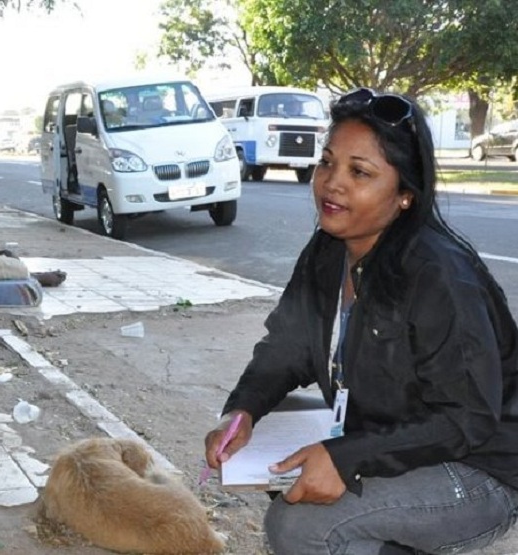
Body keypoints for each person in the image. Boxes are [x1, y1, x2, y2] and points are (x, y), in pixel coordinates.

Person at [203, 88, 518, 554]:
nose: (332, 183)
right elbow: (284, 349)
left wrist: (347, 456)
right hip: (395, 439)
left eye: (360, 172)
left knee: (299, 525)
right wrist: (242, 410)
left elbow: (467, 418)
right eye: (327, 162)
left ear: (405, 195)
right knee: (295, 473)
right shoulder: (328, 251)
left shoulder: (439, 276)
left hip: (481, 469)